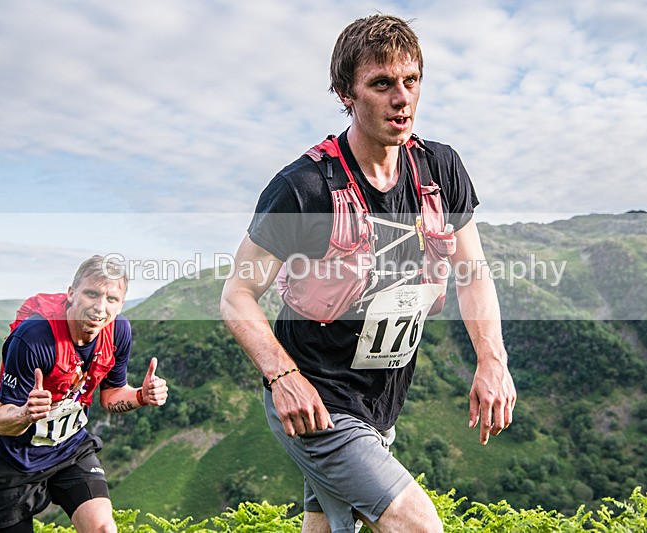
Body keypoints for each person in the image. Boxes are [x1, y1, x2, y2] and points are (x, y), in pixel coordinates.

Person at [220, 14, 516, 533]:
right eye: (381, 84)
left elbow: (472, 273)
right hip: (316, 398)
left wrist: (491, 360)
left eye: (411, 80)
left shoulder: (440, 170)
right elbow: (237, 294)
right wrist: (283, 377)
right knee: (420, 526)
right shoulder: (304, 188)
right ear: (345, 94)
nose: (401, 98)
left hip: (381, 401)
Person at [0, 255, 168, 533]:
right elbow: (1, 420)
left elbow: (111, 394)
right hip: (11, 459)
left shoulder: (118, 332)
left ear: (121, 304)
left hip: (69, 448)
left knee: (104, 529)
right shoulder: (34, 338)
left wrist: (140, 396)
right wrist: (25, 413)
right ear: (71, 293)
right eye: (92, 294)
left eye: (111, 299)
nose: (100, 308)